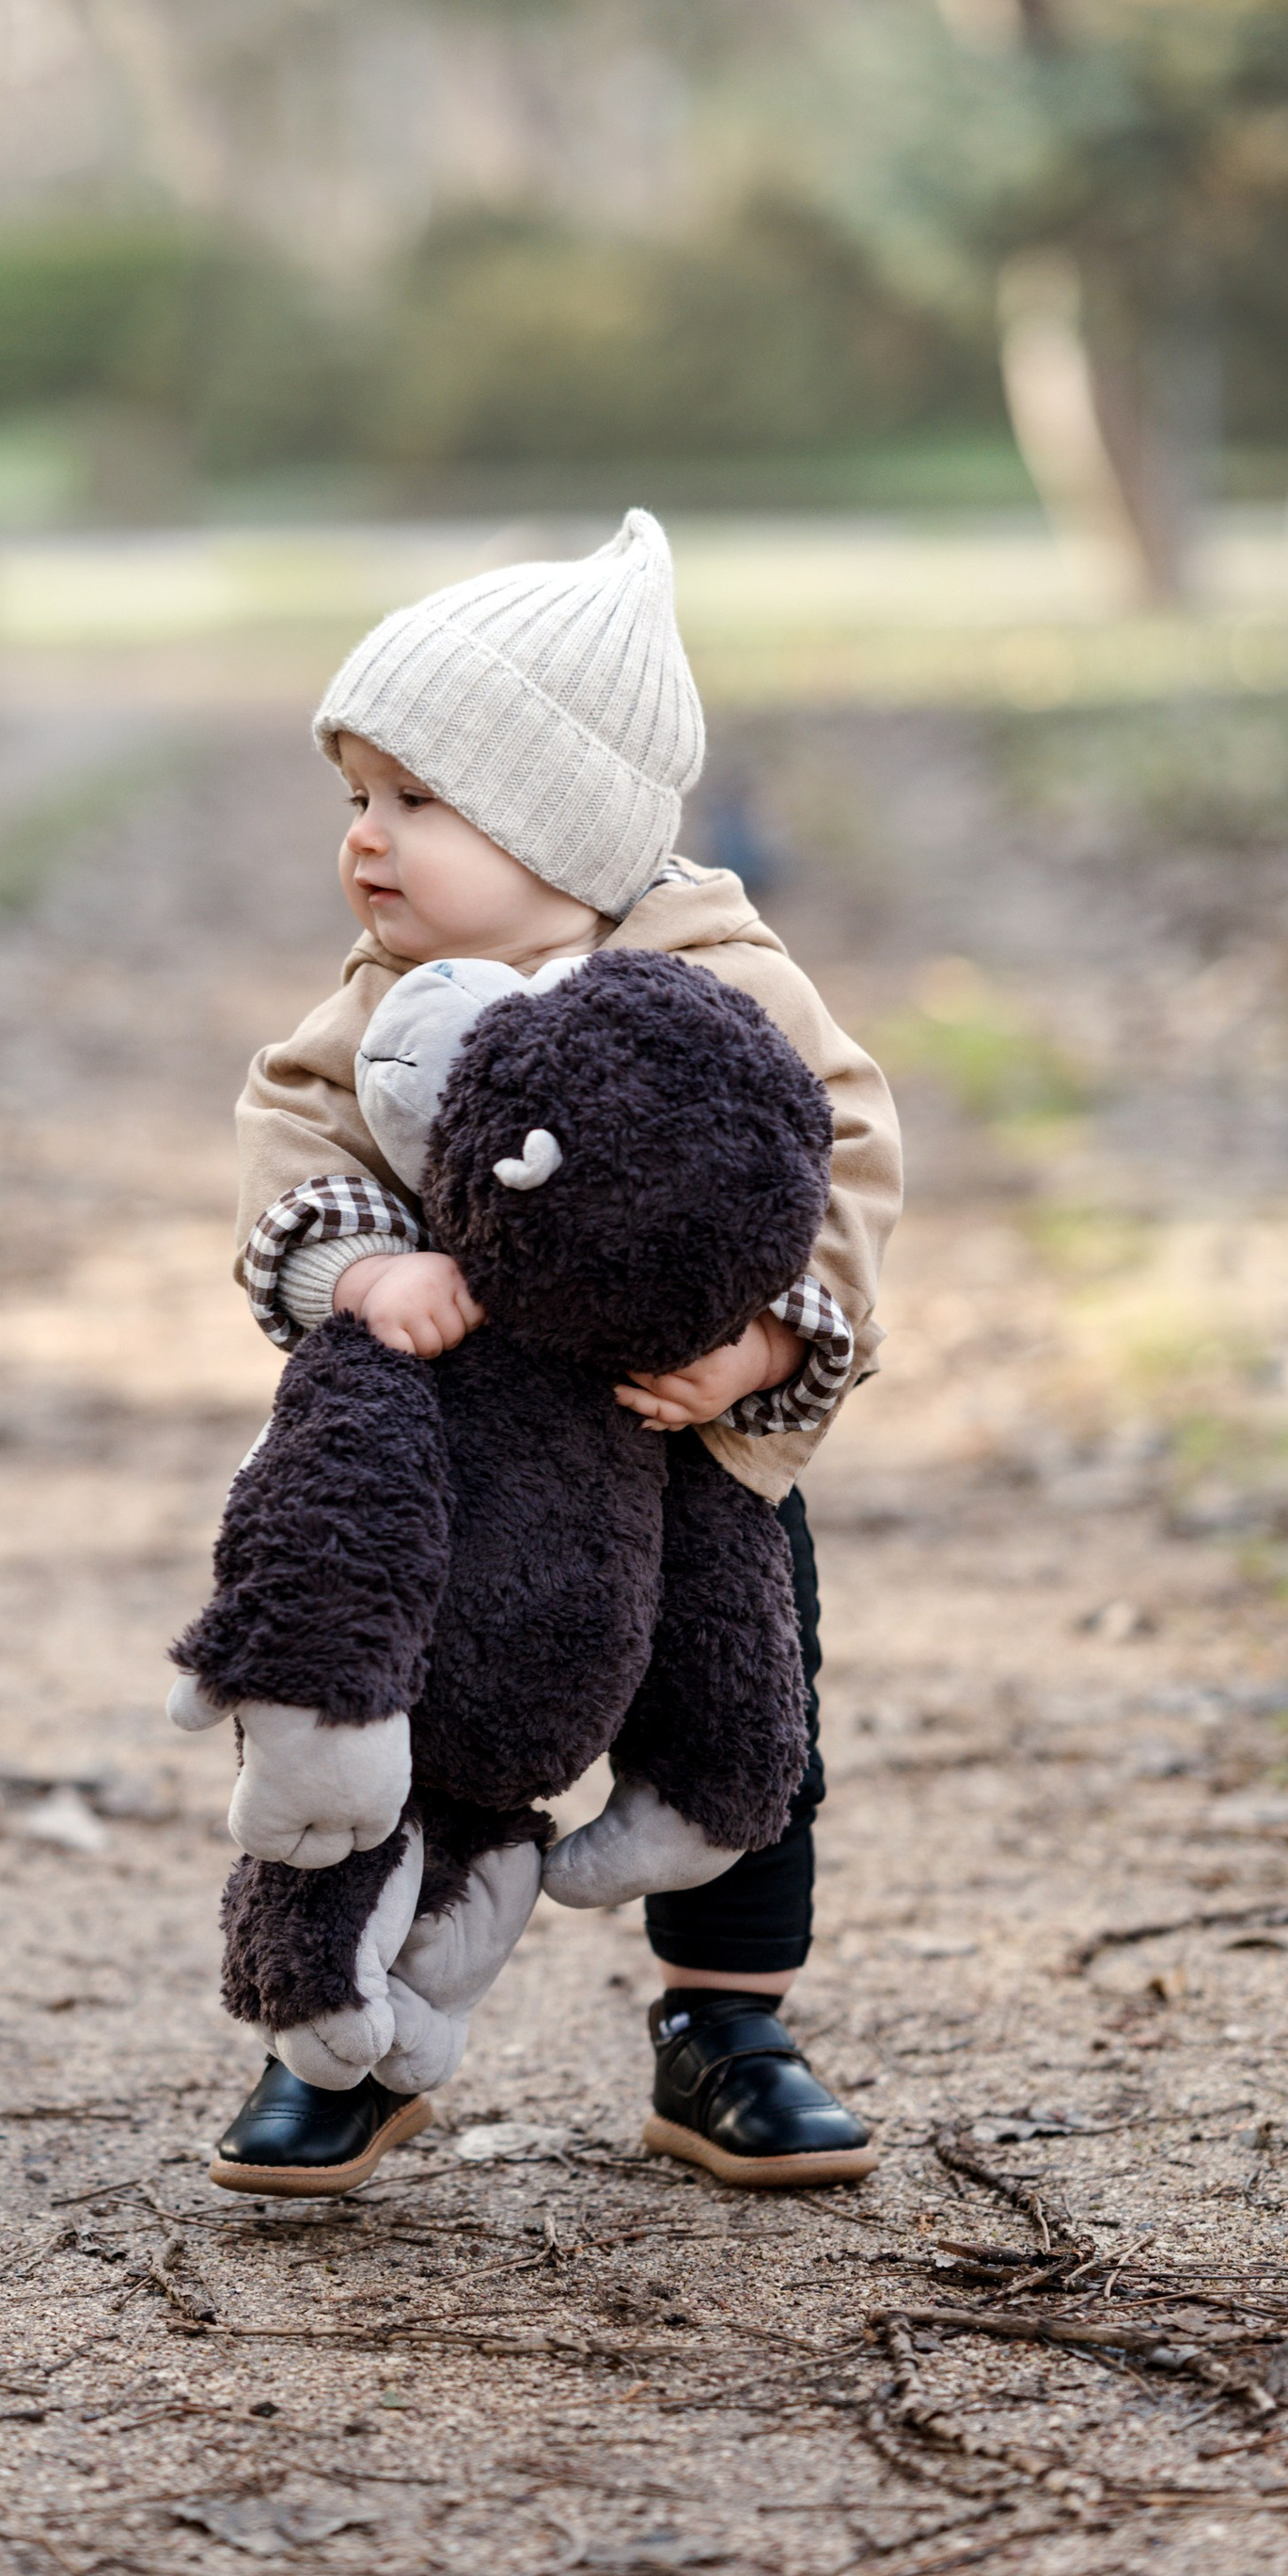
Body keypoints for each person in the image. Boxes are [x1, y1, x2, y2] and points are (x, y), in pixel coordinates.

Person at [221, 510, 902, 2188]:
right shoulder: (382, 996)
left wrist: (762, 1345)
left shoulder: (721, 975)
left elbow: (846, 1152)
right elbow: (293, 1128)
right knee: (406, 1713)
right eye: (354, 801)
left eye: (416, 803)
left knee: (747, 1722)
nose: (367, 845)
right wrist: (362, 1270)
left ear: (560, 825)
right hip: (473, 1452)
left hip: (690, 1442)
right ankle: (357, 2029)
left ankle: (725, 2026)